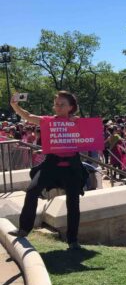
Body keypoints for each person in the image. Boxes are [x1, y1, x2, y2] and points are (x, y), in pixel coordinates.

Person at [8, 91, 89, 250]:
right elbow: (29, 116)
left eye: (62, 104)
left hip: (72, 167)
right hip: (51, 165)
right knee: (32, 191)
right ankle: (24, 229)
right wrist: (14, 105)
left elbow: (90, 137)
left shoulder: (78, 122)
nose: (58, 107)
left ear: (71, 107)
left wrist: (78, 124)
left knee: (73, 202)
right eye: (56, 104)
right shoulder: (48, 121)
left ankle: (72, 240)